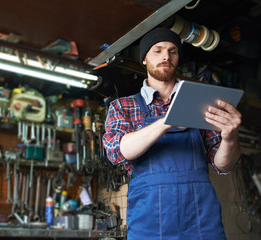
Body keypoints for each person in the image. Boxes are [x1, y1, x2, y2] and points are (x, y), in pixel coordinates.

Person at [102, 28, 242, 240]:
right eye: (157, 50)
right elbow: (116, 152)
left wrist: (230, 138)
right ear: (144, 59)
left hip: (200, 216)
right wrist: (165, 123)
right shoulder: (123, 106)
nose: (166, 56)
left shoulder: (202, 102)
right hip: (149, 219)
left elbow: (223, 165)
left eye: (172, 51)